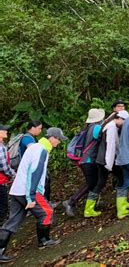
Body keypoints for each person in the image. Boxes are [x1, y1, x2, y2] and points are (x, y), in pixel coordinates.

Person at [0, 127, 67, 263]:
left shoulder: (35, 146)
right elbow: (35, 172)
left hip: (17, 190)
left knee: (12, 221)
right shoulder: (41, 150)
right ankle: (44, 240)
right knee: (47, 212)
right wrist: (30, 196)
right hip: (28, 190)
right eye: (59, 139)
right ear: (52, 138)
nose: (59, 142)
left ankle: (0, 251)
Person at [62, 108, 105, 218]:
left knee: (93, 182)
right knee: (91, 183)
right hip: (89, 160)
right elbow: (103, 138)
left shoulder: (88, 128)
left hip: (84, 160)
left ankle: (93, 204)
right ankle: (71, 202)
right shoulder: (96, 128)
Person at [90, 110, 129, 217]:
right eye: (124, 121)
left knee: (101, 183)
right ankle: (122, 207)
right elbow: (110, 147)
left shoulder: (110, 125)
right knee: (122, 179)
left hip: (101, 160)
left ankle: (88, 209)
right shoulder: (111, 128)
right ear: (120, 118)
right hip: (106, 161)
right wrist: (110, 165)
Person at [0, 125, 15, 224]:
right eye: (3, 130)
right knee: (2, 207)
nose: (6, 131)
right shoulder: (1, 147)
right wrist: (14, 174)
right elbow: (4, 167)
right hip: (0, 181)